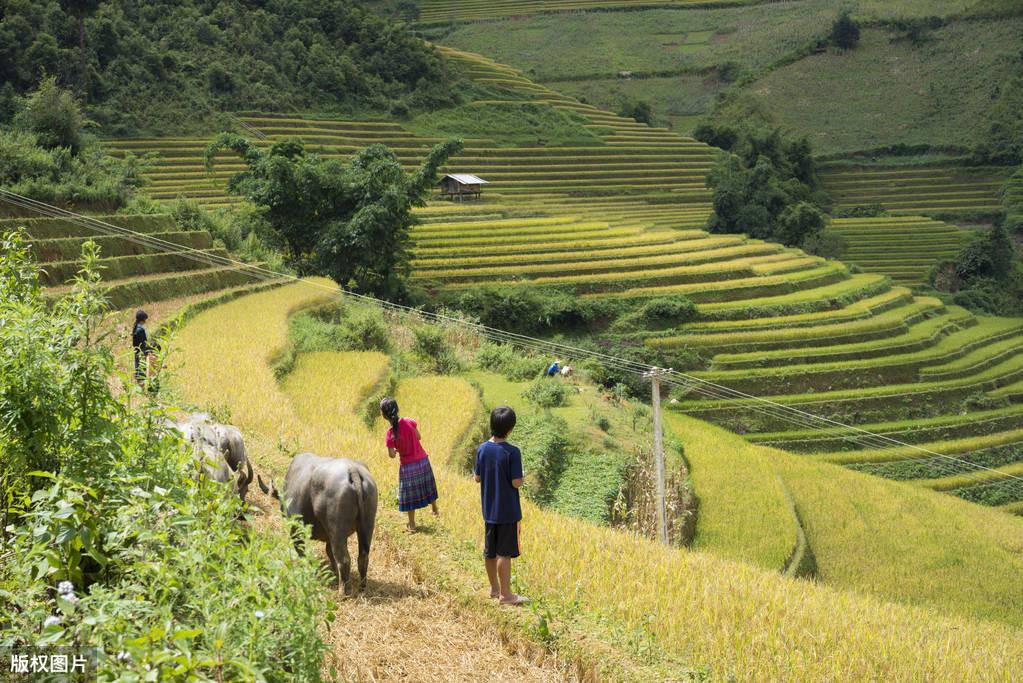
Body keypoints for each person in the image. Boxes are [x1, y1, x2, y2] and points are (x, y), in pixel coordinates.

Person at [474, 405, 528, 606]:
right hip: (507, 511)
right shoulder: (513, 452)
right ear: (510, 428)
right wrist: (522, 477)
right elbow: (516, 482)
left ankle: (494, 589)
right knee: (504, 553)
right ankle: (506, 595)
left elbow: (477, 477)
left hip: (488, 510)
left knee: (490, 551)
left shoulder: (482, 449)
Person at [380, 397, 439, 532]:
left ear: (383, 416)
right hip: (423, 461)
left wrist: (396, 449)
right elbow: (418, 437)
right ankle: (435, 509)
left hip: (407, 466)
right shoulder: (409, 421)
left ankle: (412, 524)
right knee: (428, 485)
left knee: (409, 495)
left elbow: (392, 455)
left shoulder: (390, 434)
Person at [132, 310, 157, 390]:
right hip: (141, 353)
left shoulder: (137, 328)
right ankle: (143, 391)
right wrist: (150, 348)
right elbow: (143, 344)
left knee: (139, 372)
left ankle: (142, 392)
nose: (145, 321)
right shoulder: (140, 330)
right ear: (142, 319)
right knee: (141, 372)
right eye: (145, 319)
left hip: (137, 352)